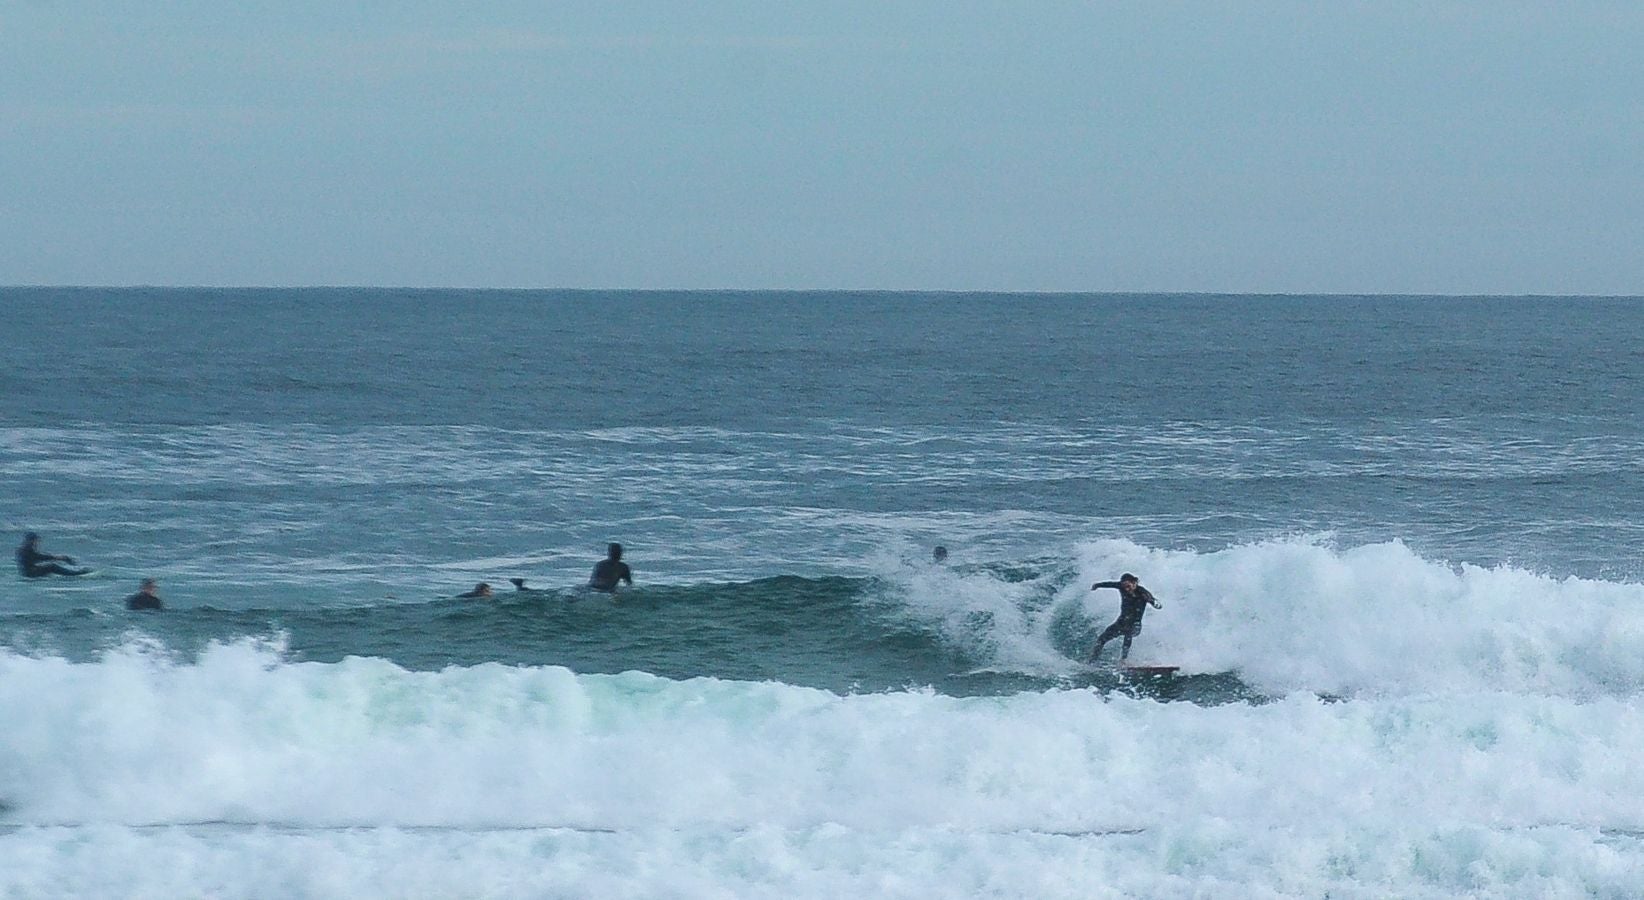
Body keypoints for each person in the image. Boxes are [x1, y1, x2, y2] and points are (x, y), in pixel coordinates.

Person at [1087, 573, 1162, 663]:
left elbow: (1159, 605)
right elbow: (1110, 584)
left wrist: (1153, 602)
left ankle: (1123, 660)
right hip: (1121, 622)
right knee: (1101, 639)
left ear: (1135, 583)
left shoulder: (1143, 593)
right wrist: (1097, 585)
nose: (1126, 589)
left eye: (1128, 586)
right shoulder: (1122, 587)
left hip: (1135, 625)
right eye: (1124, 586)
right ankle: (1091, 661)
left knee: (1128, 633)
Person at [16, 532, 91, 578]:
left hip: (26, 572)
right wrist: (58, 558)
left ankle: (73, 573)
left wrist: (57, 558)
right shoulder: (26, 550)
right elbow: (39, 557)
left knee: (49, 566)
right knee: (52, 567)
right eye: (36, 540)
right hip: (30, 574)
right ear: (31, 540)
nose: (37, 542)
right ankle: (75, 574)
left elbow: (36, 558)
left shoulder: (23, 549)